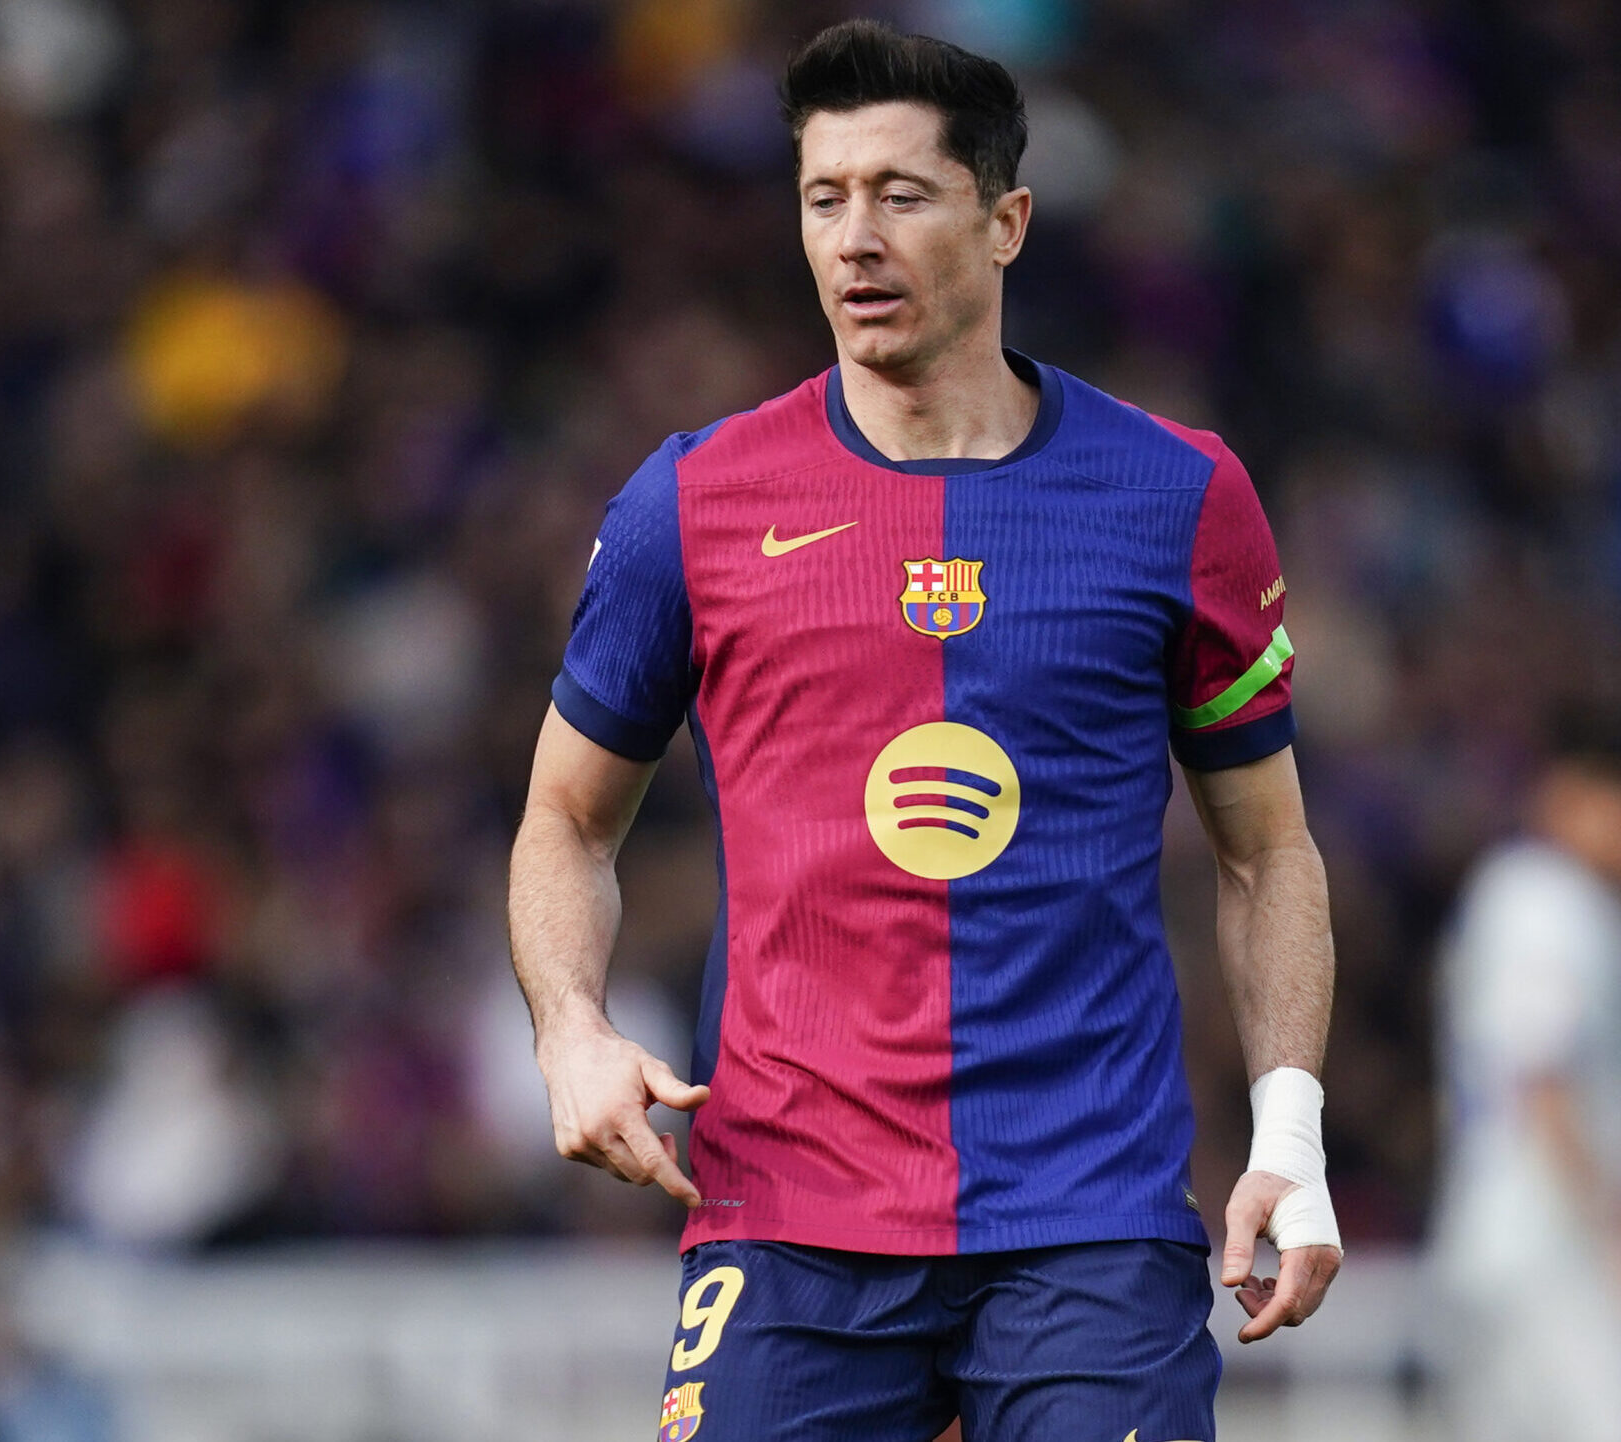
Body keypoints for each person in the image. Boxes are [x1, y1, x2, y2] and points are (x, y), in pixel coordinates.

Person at [504, 20, 1341, 1441]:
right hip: (787, 1213)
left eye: (901, 193)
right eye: (825, 198)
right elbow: (566, 820)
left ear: (1006, 220)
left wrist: (1294, 1134)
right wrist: (572, 1027)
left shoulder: (1175, 496)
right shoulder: (696, 502)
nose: (855, 238)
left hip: (1085, 1216)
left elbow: (1268, 851)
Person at [1433, 723, 1621, 1442]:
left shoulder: (1524, 898)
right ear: (1570, 796)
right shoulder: (1548, 899)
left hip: (1507, 1246)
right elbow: (1544, 1081)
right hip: (1561, 1257)